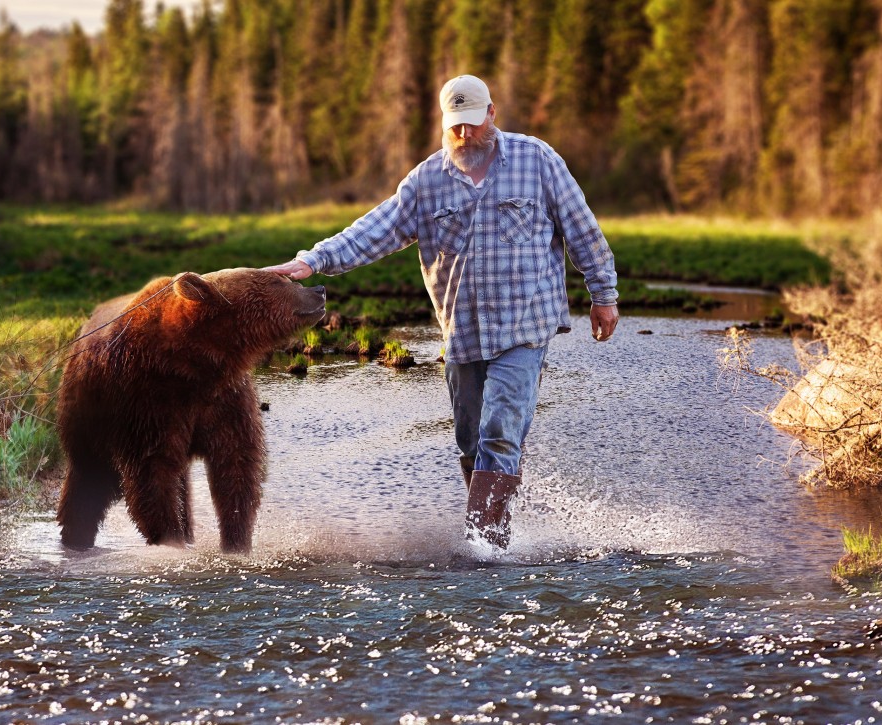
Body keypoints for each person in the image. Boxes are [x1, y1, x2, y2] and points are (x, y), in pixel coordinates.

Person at [263, 75, 619, 548]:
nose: (465, 135)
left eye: (473, 124)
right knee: (471, 442)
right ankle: (495, 523)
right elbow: (374, 229)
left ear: (492, 113)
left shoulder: (538, 161)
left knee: (498, 434)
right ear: (444, 123)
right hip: (463, 334)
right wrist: (312, 261)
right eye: (455, 127)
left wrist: (604, 296)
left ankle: (487, 552)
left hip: (525, 326)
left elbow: (582, 229)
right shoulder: (426, 182)